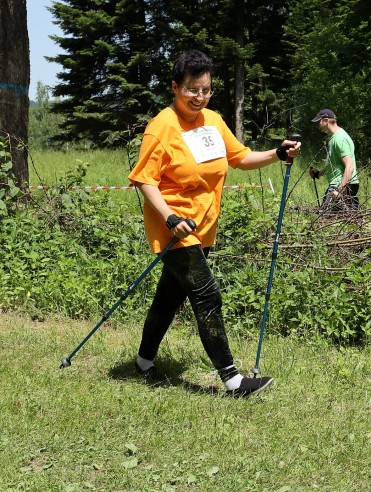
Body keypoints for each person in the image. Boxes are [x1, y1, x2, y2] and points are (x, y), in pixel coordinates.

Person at [128, 49, 301, 398]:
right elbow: (144, 180)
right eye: (193, 89)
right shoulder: (161, 127)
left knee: (168, 298)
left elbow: (240, 157)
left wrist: (276, 154)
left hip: (202, 226)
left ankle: (143, 362)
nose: (200, 97)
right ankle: (233, 380)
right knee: (207, 295)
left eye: (206, 89)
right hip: (174, 226)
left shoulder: (212, 120)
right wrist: (171, 216)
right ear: (175, 87)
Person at [309, 109, 359, 211]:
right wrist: (318, 173)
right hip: (340, 184)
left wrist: (340, 190)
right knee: (345, 219)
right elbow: (333, 164)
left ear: (326, 121)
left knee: (325, 217)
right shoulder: (332, 138)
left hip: (341, 185)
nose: (317, 124)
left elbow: (349, 166)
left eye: (319, 121)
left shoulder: (339, 138)